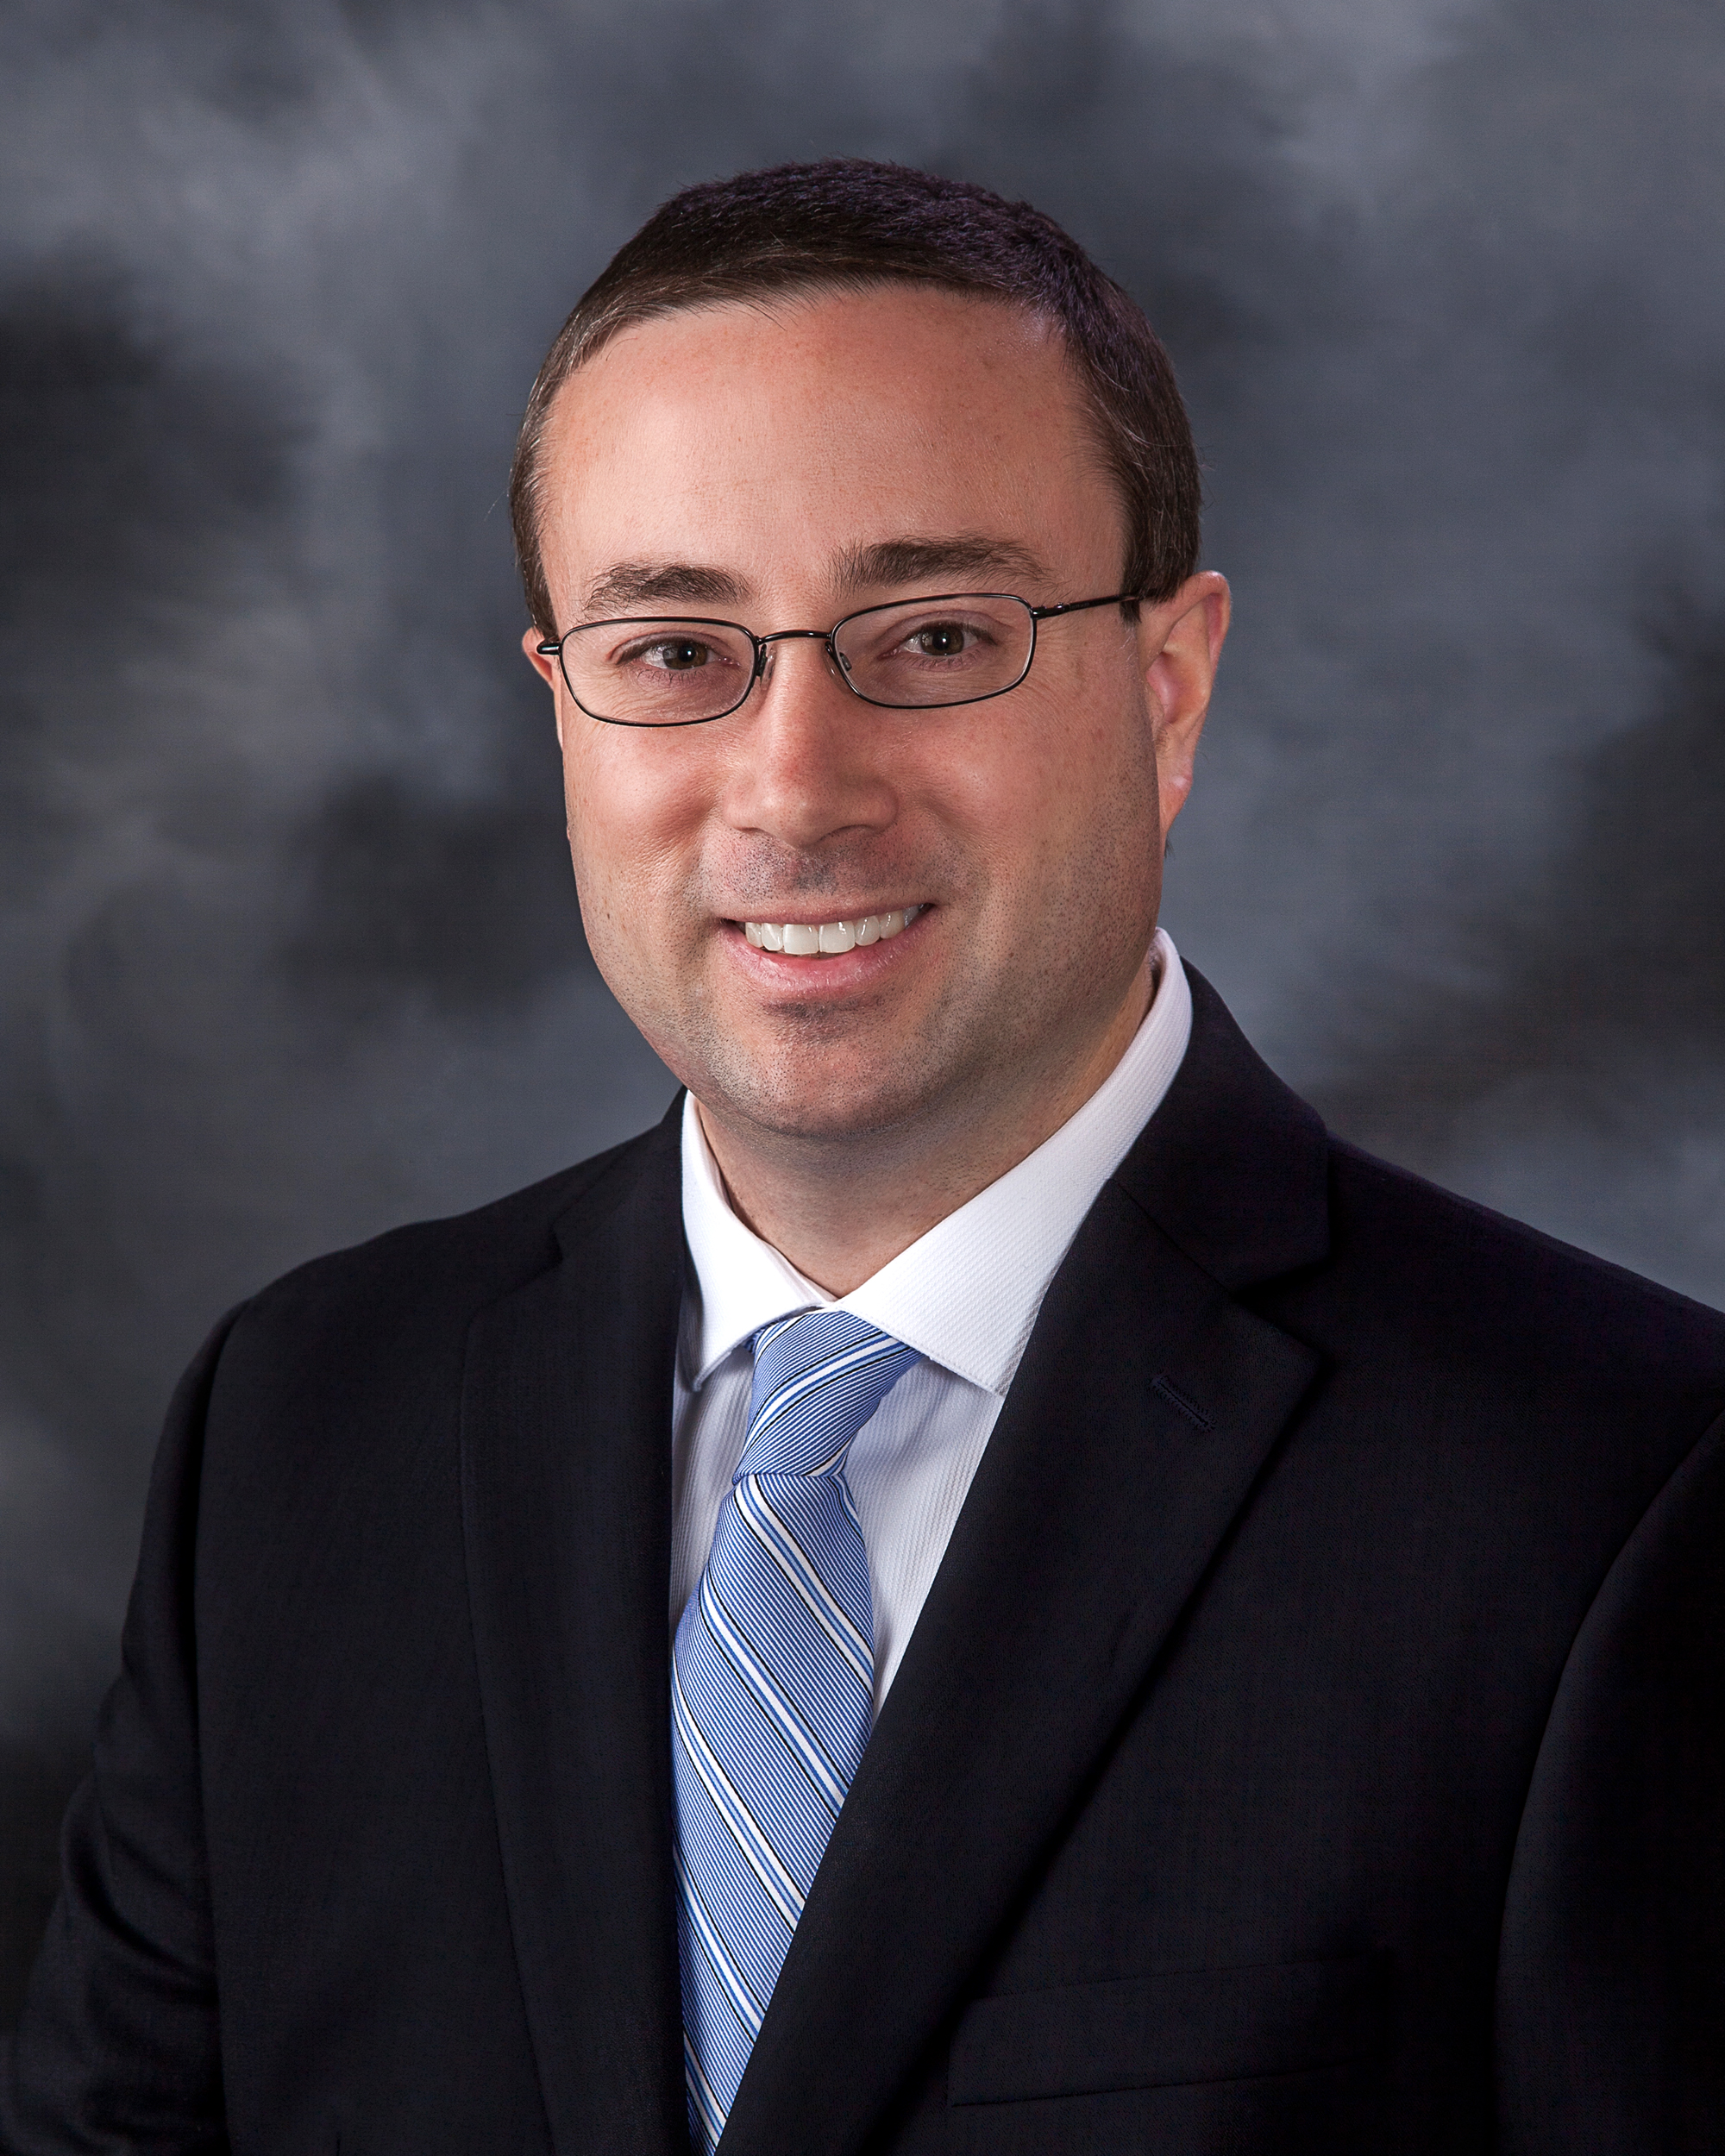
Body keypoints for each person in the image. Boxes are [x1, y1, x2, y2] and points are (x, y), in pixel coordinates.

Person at [3, 159, 1721, 2156]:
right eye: (674, 649)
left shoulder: (1615, 1494)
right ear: (561, 707)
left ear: (1166, 690)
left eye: (935, 634)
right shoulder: (300, 1429)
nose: (795, 783)